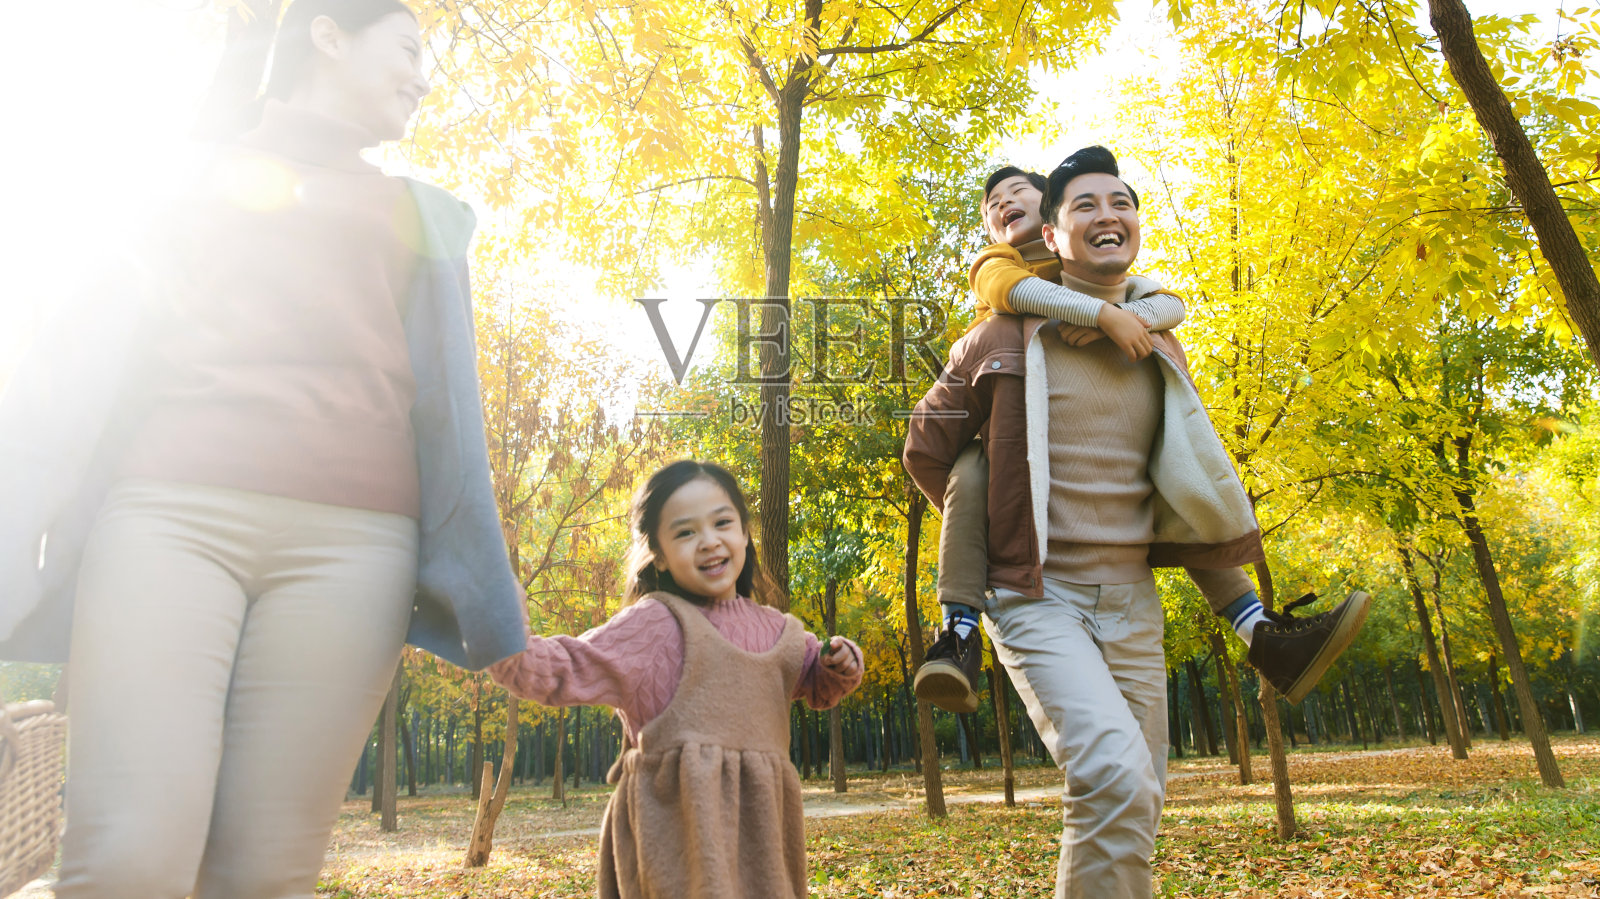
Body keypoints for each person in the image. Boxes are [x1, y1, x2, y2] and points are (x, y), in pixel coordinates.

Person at [0, 0, 528, 898]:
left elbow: (450, 416)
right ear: (327, 36)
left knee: (263, 875)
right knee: (128, 858)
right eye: (407, 51)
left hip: (355, 551)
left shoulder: (423, 213)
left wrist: (482, 583)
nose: (422, 80)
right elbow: (65, 371)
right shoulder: (176, 178)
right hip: (169, 519)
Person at [903, 146, 1368, 899]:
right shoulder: (998, 337)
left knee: (1136, 796)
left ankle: (1260, 628)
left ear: (1136, 223)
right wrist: (994, 530)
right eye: (1082, 205)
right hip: (1036, 595)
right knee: (1113, 773)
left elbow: (1179, 474)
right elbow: (924, 449)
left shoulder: (1159, 340)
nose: (1106, 214)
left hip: (1132, 602)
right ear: (1049, 237)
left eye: (1118, 201)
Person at [489, 460, 864, 899]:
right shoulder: (654, 627)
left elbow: (819, 684)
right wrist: (495, 604)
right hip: (675, 840)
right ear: (660, 555)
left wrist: (840, 664)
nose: (709, 541)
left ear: (744, 533)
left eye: (723, 522)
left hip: (763, 840)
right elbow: (552, 669)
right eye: (685, 532)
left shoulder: (780, 632)